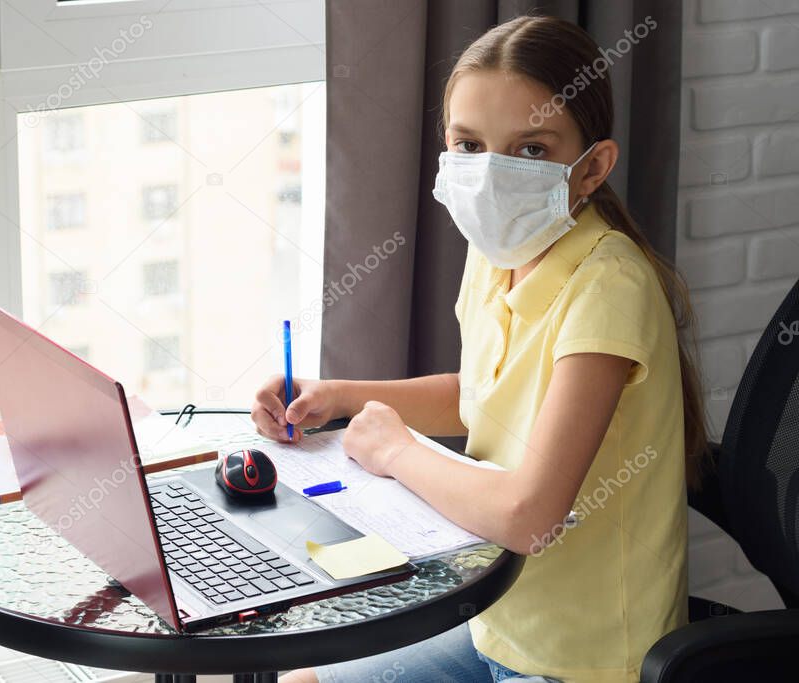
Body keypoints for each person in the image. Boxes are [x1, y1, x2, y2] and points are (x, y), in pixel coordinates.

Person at [251, 15, 704, 683]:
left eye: (529, 150)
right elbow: (480, 398)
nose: (490, 175)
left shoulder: (609, 287)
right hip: (494, 615)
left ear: (592, 168)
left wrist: (397, 450)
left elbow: (530, 516)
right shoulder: (501, 249)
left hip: (583, 658)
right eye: (468, 145)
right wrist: (341, 398)